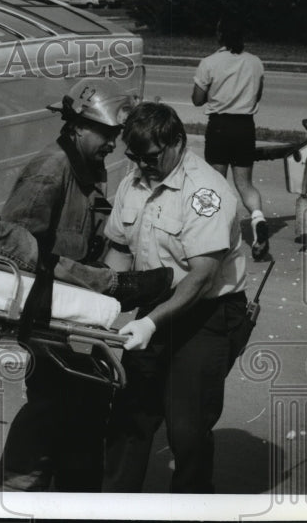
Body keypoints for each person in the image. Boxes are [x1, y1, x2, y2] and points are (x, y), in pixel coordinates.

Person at [0, 77, 173, 492]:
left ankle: (71, 489)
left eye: (117, 135)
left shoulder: (86, 168)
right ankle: (19, 487)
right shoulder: (50, 170)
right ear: (77, 125)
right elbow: (16, 249)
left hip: (74, 306)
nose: (113, 144)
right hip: (45, 307)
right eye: (107, 134)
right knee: (52, 401)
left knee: (87, 397)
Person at [101, 102, 250, 493]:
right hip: (156, 305)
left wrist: (150, 322)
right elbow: (118, 251)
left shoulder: (207, 193)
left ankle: (191, 507)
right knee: (130, 416)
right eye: (133, 157)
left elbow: (202, 278)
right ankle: (111, 506)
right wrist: (99, 308)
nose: (141, 166)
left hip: (207, 314)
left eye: (150, 157)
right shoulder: (132, 183)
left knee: (187, 429)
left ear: (177, 143)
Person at [191, 14, 269, 260]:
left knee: (217, 184)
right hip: (245, 127)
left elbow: (197, 99)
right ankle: (258, 219)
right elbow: (258, 96)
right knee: (245, 184)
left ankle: (218, 235)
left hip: (220, 127)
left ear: (220, 35)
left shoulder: (209, 63)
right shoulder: (256, 63)